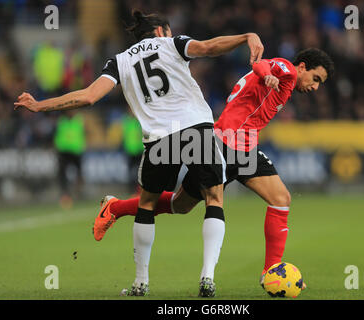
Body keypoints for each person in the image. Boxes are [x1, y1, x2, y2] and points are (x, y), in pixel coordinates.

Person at [14, 10, 264, 297]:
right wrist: (246, 37)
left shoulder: (119, 61)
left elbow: (88, 97)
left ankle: (140, 284)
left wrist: (39, 105)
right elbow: (208, 47)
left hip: (160, 139)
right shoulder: (172, 44)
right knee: (214, 198)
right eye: (168, 32)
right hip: (196, 129)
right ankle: (207, 278)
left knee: (146, 205)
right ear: (160, 31)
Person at [96, 47, 334, 290]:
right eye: (316, 79)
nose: (315, 87)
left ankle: (115, 207)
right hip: (227, 143)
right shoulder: (288, 72)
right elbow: (262, 65)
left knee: (183, 205)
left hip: (239, 146)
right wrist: (267, 75)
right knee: (275, 198)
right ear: (303, 67)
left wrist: (266, 77)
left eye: (320, 84)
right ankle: (269, 271)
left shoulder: (285, 84)